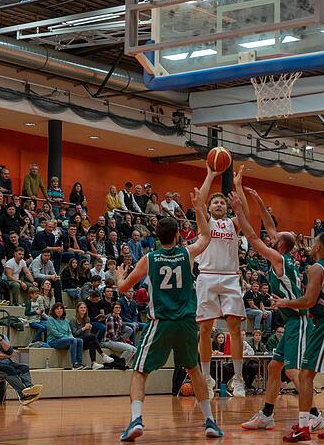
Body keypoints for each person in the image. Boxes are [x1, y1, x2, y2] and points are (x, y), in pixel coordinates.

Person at [115, 187, 225, 441]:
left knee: (140, 372)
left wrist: (119, 276)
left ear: (156, 237)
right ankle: (209, 421)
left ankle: (135, 420)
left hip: (161, 323)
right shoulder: (187, 254)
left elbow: (123, 288)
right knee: (194, 369)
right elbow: (206, 237)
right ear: (177, 236)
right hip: (187, 322)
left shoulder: (149, 258)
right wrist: (199, 208)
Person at [230, 190, 324, 432]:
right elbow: (271, 227)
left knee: (293, 371)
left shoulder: (279, 259)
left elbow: (252, 237)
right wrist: (260, 201)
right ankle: (267, 414)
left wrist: (239, 211)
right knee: (275, 368)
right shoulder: (285, 255)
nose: (270, 237)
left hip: (299, 321)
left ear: (279, 244)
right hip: (291, 321)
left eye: (274, 238)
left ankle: (315, 414)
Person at [273, 233, 324, 442]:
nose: (310, 247)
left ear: (318, 247)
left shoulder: (317, 268)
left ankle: (303, 427)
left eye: (313, 244)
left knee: (305, 374)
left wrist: (285, 303)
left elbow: (309, 301)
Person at [195, 165, 251, 398]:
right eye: (215, 202)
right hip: (207, 276)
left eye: (222, 203)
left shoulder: (231, 224)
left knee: (235, 329)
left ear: (227, 207)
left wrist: (238, 186)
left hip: (229, 277)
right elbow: (198, 203)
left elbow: (244, 215)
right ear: (209, 208)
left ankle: (238, 379)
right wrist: (211, 175)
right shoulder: (205, 222)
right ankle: (207, 378)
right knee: (205, 329)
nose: (219, 204)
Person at [0, 318, 43, 405]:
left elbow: (9, 350)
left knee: (24, 367)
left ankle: (30, 388)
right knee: (8, 369)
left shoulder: (2, 337)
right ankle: (23, 394)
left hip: (5, 362)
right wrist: (8, 355)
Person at [70, 302, 115, 370]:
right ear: (77, 309)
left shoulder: (87, 319)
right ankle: (103, 355)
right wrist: (84, 328)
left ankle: (93, 363)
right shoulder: (73, 319)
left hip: (83, 341)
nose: (83, 309)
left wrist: (88, 330)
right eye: (81, 308)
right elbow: (74, 334)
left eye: (84, 308)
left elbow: (87, 336)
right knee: (92, 337)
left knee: (92, 342)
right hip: (76, 341)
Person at [46, 303, 85, 370]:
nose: (59, 310)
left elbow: (69, 332)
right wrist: (69, 338)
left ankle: (80, 363)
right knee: (73, 340)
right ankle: (74, 363)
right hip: (54, 341)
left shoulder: (65, 320)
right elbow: (56, 333)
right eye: (57, 309)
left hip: (65, 340)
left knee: (79, 340)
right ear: (54, 311)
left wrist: (71, 337)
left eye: (61, 309)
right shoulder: (50, 320)